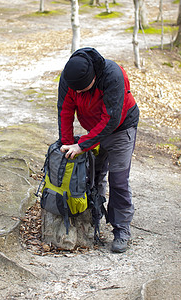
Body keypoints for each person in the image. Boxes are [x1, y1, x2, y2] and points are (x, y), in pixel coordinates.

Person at [57, 47, 139, 253]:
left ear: (93, 77)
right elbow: (65, 110)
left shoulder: (113, 75)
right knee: (93, 175)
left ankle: (121, 229)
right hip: (93, 129)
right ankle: (94, 218)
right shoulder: (70, 76)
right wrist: (67, 144)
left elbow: (110, 120)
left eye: (81, 90)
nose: (77, 93)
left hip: (121, 127)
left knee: (118, 181)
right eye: (74, 89)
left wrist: (82, 144)